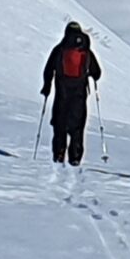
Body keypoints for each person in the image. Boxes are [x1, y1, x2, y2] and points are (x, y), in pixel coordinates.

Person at [41, 21, 102, 165]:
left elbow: (48, 69)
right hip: (79, 95)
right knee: (77, 127)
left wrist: (47, 87)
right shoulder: (86, 51)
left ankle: (59, 153)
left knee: (59, 124)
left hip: (61, 94)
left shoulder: (59, 49)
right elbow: (97, 73)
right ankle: (75, 157)